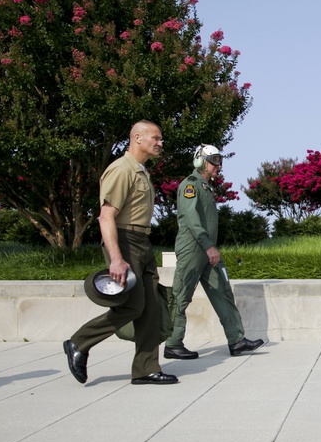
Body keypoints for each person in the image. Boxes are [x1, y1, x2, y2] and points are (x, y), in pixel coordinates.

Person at [63, 121, 178, 385]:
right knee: (133, 305)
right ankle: (79, 342)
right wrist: (116, 257)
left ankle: (146, 369)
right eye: (156, 138)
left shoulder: (141, 171)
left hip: (142, 242)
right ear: (137, 137)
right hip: (124, 241)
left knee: (150, 309)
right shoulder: (120, 170)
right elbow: (106, 217)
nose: (160, 143)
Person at [163, 144, 264, 359]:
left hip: (208, 250)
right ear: (200, 161)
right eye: (215, 160)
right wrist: (208, 246)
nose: (219, 165)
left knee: (223, 291)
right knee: (182, 296)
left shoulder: (206, 188)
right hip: (193, 248)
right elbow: (192, 220)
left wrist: (210, 247)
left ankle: (236, 340)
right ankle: (173, 343)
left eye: (220, 160)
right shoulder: (190, 186)